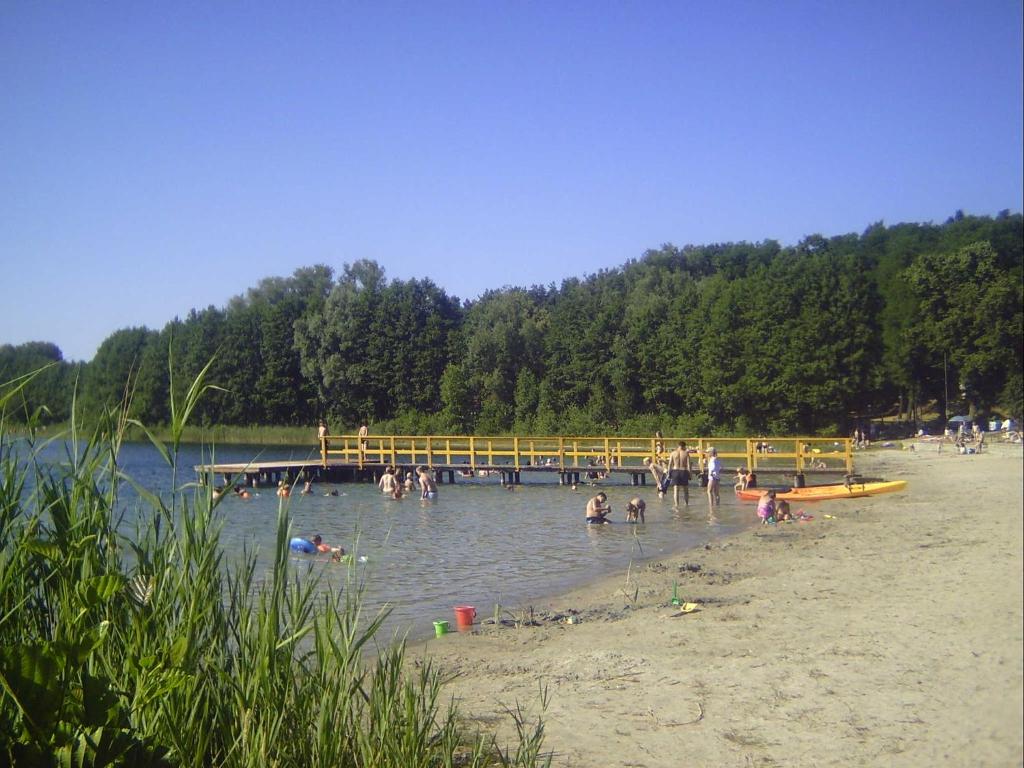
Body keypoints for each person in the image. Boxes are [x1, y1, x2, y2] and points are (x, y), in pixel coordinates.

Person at [667, 441, 693, 506]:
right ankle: (686, 504)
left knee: (676, 490)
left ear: (678, 446)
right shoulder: (686, 454)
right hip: (683, 471)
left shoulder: (673, 453)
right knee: (685, 490)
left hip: (675, 471)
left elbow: (670, 464)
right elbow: (689, 465)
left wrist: (668, 473)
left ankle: (676, 505)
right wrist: (690, 474)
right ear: (684, 446)